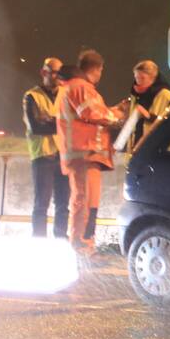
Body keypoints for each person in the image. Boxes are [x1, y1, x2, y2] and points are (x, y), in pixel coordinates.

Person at [55, 50, 125, 255]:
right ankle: (81, 247)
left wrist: (112, 111)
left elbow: (92, 114)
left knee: (88, 203)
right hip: (84, 152)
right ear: (98, 69)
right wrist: (118, 114)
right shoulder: (80, 87)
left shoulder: (73, 87)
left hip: (84, 154)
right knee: (85, 203)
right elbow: (94, 113)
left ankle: (86, 245)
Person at [22, 57, 69, 238]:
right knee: (41, 204)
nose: (59, 77)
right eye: (55, 72)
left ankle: (61, 240)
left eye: (60, 73)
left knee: (63, 205)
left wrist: (49, 120)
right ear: (44, 73)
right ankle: (39, 244)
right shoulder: (31, 96)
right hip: (42, 156)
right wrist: (62, 123)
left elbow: (74, 122)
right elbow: (36, 127)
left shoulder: (65, 93)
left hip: (63, 155)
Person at [125, 60, 170, 151]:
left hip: (157, 151)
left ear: (153, 78)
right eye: (136, 78)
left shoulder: (166, 96)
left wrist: (148, 116)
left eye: (142, 78)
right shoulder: (135, 96)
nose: (138, 82)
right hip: (136, 149)